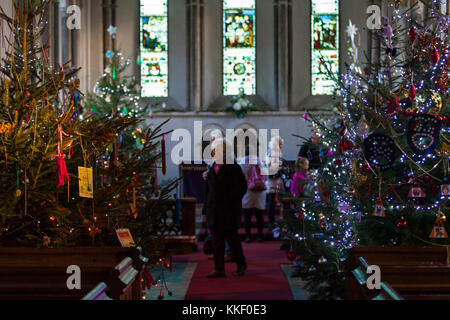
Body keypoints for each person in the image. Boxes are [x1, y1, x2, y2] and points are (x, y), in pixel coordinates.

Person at [203, 138, 248, 278]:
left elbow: (241, 188)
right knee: (217, 241)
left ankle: (241, 265)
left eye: (219, 150)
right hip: (214, 210)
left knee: (233, 240)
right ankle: (219, 269)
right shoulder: (213, 167)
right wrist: (206, 208)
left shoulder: (233, 167)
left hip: (228, 210)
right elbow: (208, 191)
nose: (216, 152)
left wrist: (230, 201)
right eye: (215, 150)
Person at [241, 154, 266, 243]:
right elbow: (265, 175)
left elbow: (241, 177)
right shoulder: (261, 162)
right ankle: (259, 236)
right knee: (259, 215)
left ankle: (248, 236)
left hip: (248, 191)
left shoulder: (243, 162)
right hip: (260, 192)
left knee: (247, 216)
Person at [266, 136, 285, 226]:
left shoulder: (277, 153)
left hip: (277, 179)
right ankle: (271, 221)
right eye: (280, 144)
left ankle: (280, 219)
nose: (282, 146)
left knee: (277, 201)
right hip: (272, 180)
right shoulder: (271, 153)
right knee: (271, 201)